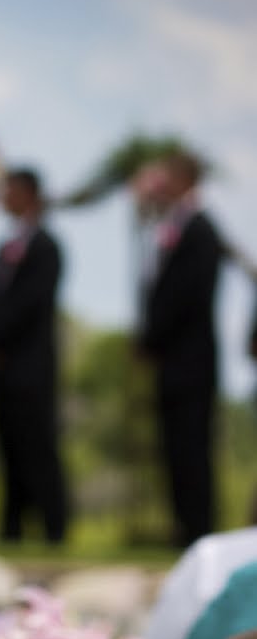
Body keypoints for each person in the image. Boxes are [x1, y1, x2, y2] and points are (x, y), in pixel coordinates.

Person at [0, 167, 67, 545]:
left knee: (38, 447)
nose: (3, 197)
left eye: (9, 190)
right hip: (2, 367)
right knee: (9, 448)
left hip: (31, 367)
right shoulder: (4, 247)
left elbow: (30, 304)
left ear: (29, 195)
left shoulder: (47, 247)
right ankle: (10, 529)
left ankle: (53, 526)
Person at [139, 149, 223, 548]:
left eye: (169, 175)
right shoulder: (169, 227)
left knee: (193, 447)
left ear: (188, 179)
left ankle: (199, 530)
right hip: (171, 360)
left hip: (192, 360)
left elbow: (188, 296)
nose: (163, 183)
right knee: (173, 447)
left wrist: (155, 335)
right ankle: (181, 528)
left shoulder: (202, 230)